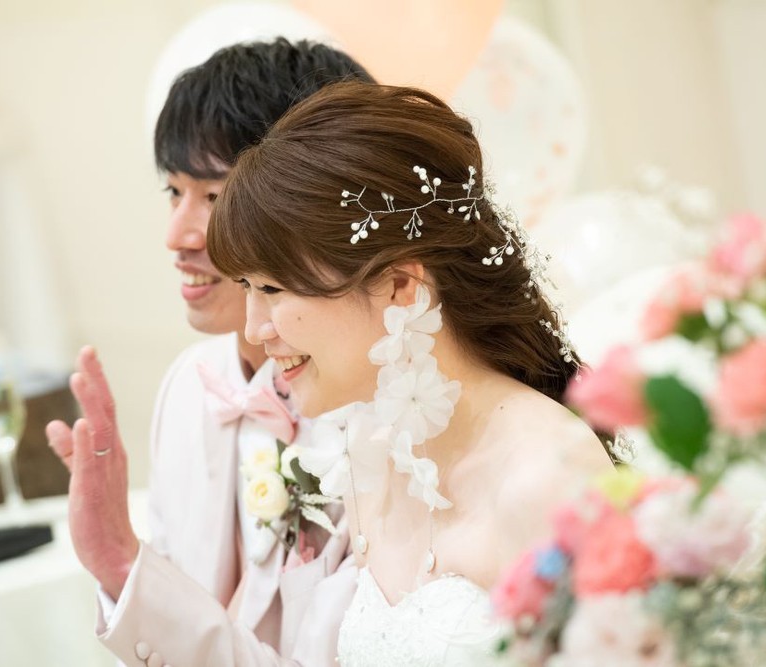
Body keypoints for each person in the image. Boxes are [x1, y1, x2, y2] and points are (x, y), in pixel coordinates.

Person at [206, 81, 615, 663]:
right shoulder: (369, 448)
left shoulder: (547, 477)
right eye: (246, 287)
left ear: (401, 285)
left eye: (271, 288)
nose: (253, 328)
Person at [45, 39, 374, 666]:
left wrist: (122, 560)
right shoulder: (190, 386)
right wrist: (122, 562)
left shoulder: (379, 417)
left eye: (215, 198)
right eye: (174, 193)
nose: (177, 235)